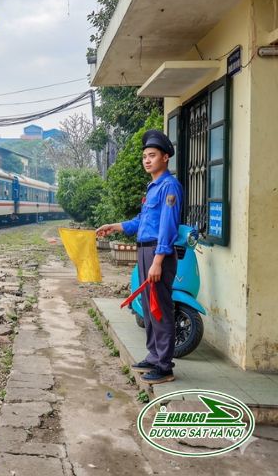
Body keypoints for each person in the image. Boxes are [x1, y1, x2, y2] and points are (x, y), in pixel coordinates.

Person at [96, 129, 183, 384]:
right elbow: (141, 222)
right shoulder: (153, 187)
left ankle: (164, 366)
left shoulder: (169, 186)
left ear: (165, 157)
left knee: (160, 308)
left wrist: (158, 260)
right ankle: (154, 356)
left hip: (159, 253)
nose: (147, 160)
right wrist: (116, 226)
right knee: (148, 306)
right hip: (145, 249)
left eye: (152, 155)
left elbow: (168, 227)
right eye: (145, 156)